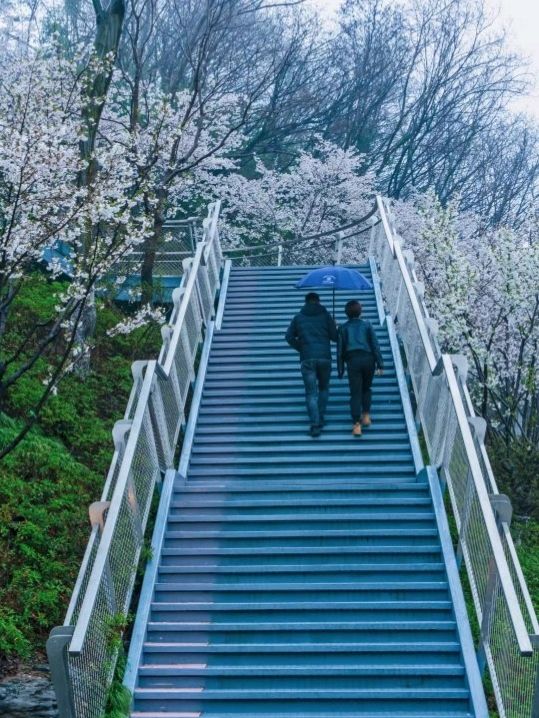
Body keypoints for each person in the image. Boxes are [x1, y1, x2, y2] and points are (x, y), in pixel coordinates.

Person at [285, 292, 338, 437]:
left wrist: (301, 348)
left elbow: (288, 336)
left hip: (307, 358)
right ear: (318, 301)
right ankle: (320, 417)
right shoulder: (326, 316)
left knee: (310, 393)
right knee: (324, 388)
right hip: (325, 358)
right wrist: (334, 324)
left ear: (306, 302)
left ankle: (315, 425)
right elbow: (335, 338)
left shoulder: (298, 317)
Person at [338, 299, 384, 436]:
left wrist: (341, 369)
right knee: (366, 388)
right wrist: (380, 364)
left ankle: (356, 425)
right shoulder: (367, 325)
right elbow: (375, 345)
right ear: (360, 312)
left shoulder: (342, 328)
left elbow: (340, 351)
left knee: (355, 392)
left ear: (346, 313)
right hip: (368, 359)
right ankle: (366, 416)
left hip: (353, 361)